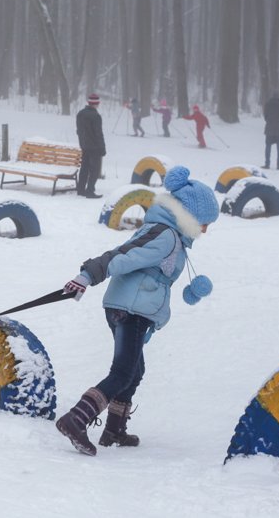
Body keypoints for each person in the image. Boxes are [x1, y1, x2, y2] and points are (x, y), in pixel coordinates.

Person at [56, 166, 219, 456]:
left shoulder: (172, 237)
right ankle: (76, 418)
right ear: (189, 214)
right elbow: (123, 254)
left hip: (133, 309)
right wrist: (88, 275)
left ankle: (114, 428)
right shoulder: (165, 236)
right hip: (128, 310)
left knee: (135, 369)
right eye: (204, 222)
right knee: (122, 372)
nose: (205, 229)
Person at [76, 93, 107, 199]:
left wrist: (82, 143)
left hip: (84, 146)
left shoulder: (80, 114)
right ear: (97, 103)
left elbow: (79, 131)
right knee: (95, 170)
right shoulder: (96, 116)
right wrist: (102, 148)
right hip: (95, 148)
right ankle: (90, 190)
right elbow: (98, 134)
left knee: (84, 168)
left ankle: (80, 189)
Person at [263, 91, 279, 170]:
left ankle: (267, 164)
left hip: (269, 128)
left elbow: (265, 116)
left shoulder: (268, 104)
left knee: (268, 146)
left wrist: (269, 121)